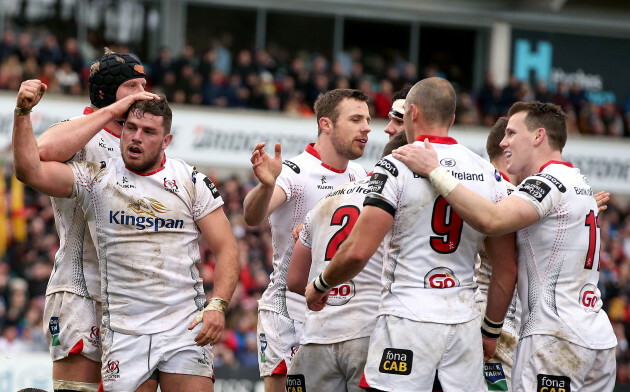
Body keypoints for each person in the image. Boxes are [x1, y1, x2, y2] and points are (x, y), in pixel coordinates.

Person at [13, 80, 240, 391]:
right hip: (124, 333)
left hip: (183, 326)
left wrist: (218, 305)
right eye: (131, 127)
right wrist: (22, 113)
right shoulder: (96, 179)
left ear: (166, 140)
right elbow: (29, 170)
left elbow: (227, 247)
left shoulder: (189, 180)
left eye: (148, 132)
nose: (136, 137)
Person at [305, 77, 517, 392]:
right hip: (462, 323)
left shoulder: (396, 166)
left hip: (406, 318)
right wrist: (490, 331)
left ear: (412, 114)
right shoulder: (489, 175)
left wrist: (320, 285)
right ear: (453, 118)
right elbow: (506, 268)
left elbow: (358, 251)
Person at [393, 100, 617, 391]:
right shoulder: (578, 181)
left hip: (555, 338)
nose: (503, 141)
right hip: (597, 337)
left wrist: (435, 171)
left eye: (511, 133)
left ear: (538, 136)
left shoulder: (546, 183)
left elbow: (492, 219)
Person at [243, 89, 371, 392]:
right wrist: (265, 186)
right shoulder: (294, 172)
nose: (366, 127)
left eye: (367, 119)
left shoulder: (362, 174)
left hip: (341, 314)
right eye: (355, 119)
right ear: (325, 124)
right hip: (290, 312)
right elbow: (251, 216)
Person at [36, 48, 148, 392]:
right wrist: (113, 112)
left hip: (128, 299)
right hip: (78, 291)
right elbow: (41, 151)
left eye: (145, 84)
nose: (144, 93)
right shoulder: (78, 132)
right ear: (105, 93)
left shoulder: (143, 142)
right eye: (132, 86)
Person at [285, 132, 407, 392]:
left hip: (316, 336)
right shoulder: (400, 198)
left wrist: (323, 292)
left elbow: (294, 280)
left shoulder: (327, 199)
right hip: (369, 333)